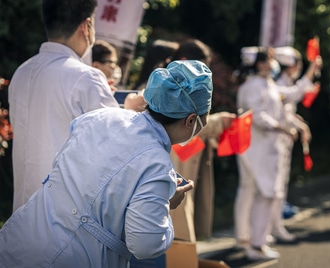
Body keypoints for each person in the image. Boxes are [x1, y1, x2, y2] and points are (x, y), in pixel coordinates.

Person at [0, 60, 212, 267]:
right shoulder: (157, 165)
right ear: (191, 120)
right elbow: (145, 244)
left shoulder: (101, 116)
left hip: (22, 236)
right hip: (71, 257)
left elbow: (60, 166)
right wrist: (165, 205)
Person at [7, 0, 123, 212]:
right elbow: (117, 144)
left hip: (22, 214)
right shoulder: (86, 77)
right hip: (65, 219)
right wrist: (129, 108)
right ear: (86, 26)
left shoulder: (22, 71)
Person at [233, 47, 321, 260]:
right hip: (256, 148)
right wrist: (282, 128)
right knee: (264, 193)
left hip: (266, 148)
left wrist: (296, 125)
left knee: (262, 193)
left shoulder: (269, 84)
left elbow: (287, 101)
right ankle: (255, 244)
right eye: (264, 61)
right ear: (255, 63)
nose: (268, 65)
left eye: (270, 61)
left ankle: (253, 239)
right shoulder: (253, 85)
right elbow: (258, 116)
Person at [169, 38, 236, 242]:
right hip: (173, 163)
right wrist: (216, 123)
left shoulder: (178, 83)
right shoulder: (167, 86)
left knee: (181, 218)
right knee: (175, 226)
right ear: (183, 60)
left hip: (184, 159)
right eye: (200, 65)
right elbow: (181, 123)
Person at [270, 46, 316, 242]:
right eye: (296, 64)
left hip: (284, 139)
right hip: (274, 140)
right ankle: (272, 227)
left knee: (281, 184)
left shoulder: (284, 82)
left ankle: (275, 225)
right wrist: (312, 70)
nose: (298, 67)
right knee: (275, 186)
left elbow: (288, 111)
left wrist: (301, 126)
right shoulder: (277, 84)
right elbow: (293, 94)